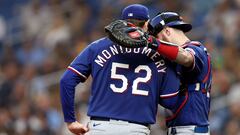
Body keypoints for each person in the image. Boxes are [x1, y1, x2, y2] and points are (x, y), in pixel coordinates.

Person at [60, 4, 181, 135]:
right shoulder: (159, 54)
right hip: (137, 129)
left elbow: (66, 81)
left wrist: (70, 121)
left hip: (100, 127)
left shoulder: (97, 47)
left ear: (122, 23)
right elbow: (171, 100)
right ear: (147, 24)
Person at [116, 11, 212, 135]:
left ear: (167, 31)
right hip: (177, 129)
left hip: (192, 129)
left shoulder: (197, 49)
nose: (157, 42)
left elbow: (187, 57)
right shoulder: (168, 60)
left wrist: (152, 42)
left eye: (157, 36)